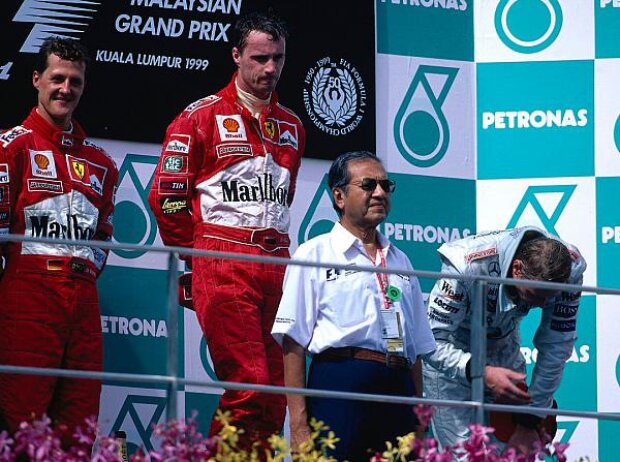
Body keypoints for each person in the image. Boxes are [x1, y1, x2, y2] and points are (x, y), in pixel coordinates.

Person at [147, 11, 305, 444]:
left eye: (278, 58)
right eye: (259, 58)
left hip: (278, 262)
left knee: (277, 396)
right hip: (223, 257)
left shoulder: (292, 125)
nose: (270, 69)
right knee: (250, 383)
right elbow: (166, 196)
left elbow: (283, 198)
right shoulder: (200, 117)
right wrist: (199, 257)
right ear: (236, 56)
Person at [272, 151, 436, 461]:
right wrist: (298, 422)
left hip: (397, 386)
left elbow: (414, 349)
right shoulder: (314, 254)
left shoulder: (402, 261)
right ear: (339, 196)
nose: (379, 193)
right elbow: (292, 342)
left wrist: (419, 417)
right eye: (369, 185)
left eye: (386, 186)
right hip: (340, 383)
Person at [0, 37, 118, 439]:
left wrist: (79, 273)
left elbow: (104, 234)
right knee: (22, 425)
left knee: (78, 425)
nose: (66, 89)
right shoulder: (11, 147)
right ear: (36, 79)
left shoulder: (101, 164)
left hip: (83, 304)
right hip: (25, 301)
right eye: (57, 78)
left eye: (75, 81)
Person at [422, 227, 586, 454]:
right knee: (463, 455)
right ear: (517, 269)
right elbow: (430, 341)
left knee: (512, 455)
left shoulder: (571, 270)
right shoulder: (465, 265)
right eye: (534, 295)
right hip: (453, 350)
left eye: (549, 298)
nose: (540, 305)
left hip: (503, 347)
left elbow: (557, 345)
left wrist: (531, 418)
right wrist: (480, 371)